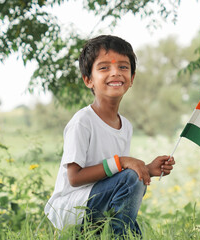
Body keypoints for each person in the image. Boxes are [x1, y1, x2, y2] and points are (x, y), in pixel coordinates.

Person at [44, 35, 175, 236]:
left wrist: (146, 169)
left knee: (135, 178)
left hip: (96, 201)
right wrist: (123, 162)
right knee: (131, 178)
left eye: (123, 67)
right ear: (88, 80)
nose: (115, 73)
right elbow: (75, 178)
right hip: (69, 207)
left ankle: (119, 233)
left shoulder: (126, 126)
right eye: (104, 68)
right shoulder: (83, 121)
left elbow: (117, 176)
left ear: (132, 78)